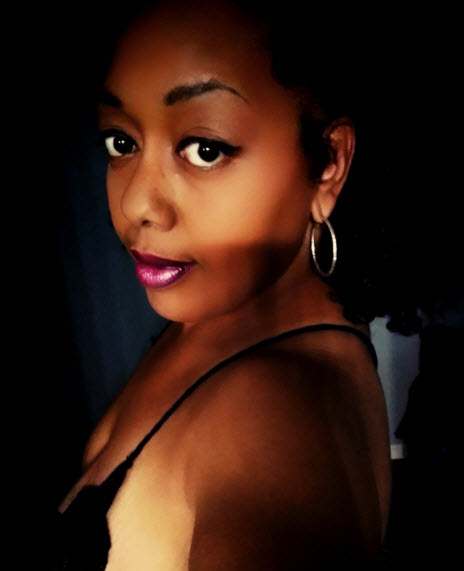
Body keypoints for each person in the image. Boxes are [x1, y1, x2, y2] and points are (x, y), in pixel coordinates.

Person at [49, 0, 398, 568]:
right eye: (121, 142)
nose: (136, 205)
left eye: (204, 150)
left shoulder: (276, 424)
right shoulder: (218, 314)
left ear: (328, 163)